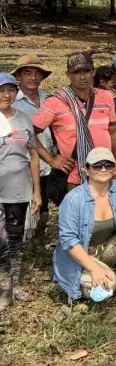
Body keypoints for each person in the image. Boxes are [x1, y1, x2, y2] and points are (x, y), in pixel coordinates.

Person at [52, 147, 116, 304]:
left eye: (108, 165)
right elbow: (69, 241)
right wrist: (93, 267)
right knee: (108, 286)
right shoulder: (73, 199)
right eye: (97, 165)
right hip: (80, 255)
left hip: (106, 248)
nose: (103, 169)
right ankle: (74, 283)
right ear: (86, 170)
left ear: (114, 168)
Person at [32, 52, 116, 191]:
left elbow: (113, 132)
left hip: (104, 171)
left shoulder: (106, 97)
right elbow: (29, 133)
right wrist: (51, 159)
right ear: (68, 74)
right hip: (74, 176)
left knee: (104, 211)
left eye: (86, 71)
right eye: (76, 72)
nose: (82, 77)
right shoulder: (55, 101)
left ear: (93, 72)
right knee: (75, 211)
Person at [0, 73, 41, 309]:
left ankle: (14, 285)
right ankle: (4, 287)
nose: (6, 95)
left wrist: (36, 191)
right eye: (2, 90)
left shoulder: (24, 119)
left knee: (15, 240)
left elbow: (34, 155)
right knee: (0, 241)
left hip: (19, 191)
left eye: (11, 90)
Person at [11, 53, 54, 241]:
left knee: (42, 202)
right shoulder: (12, 101)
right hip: (24, 162)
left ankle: (37, 240)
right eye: (27, 73)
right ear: (18, 77)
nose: (33, 77)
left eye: (37, 73)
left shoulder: (49, 99)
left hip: (48, 164)